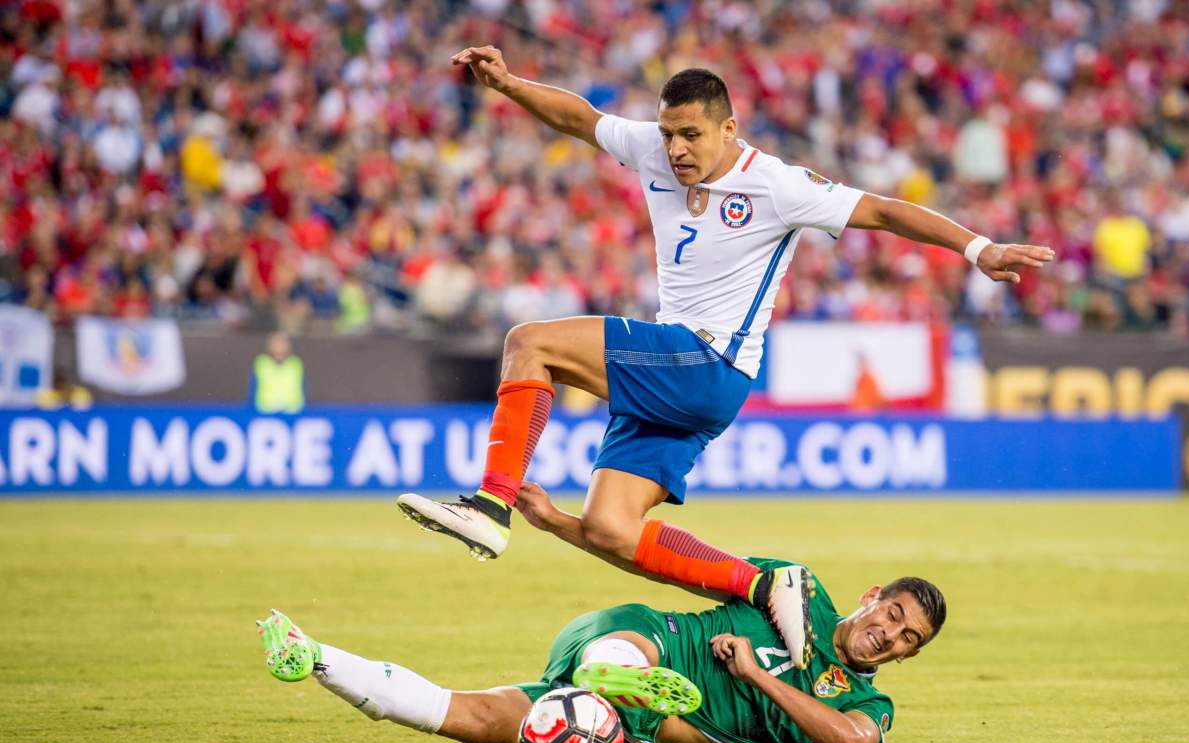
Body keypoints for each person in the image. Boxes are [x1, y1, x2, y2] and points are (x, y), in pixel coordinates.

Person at [396, 47, 1044, 668]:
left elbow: (880, 210)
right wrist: (508, 84)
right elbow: (579, 118)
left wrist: (976, 249)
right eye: (668, 133)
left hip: (706, 362)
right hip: (689, 379)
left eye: (691, 135)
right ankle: (764, 587)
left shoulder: (777, 185)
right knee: (608, 528)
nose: (676, 148)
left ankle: (489, 503)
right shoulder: (653, 148)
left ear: (728, 128)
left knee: (529, 343)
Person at [258, 512, 945, 743]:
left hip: (629, 731)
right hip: (653, 641)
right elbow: (680, 563)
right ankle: (609, 673)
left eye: (908, 639)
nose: (890, 636)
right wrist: (567, 526)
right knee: (632, 645)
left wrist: (757, 676)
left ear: (910, 656)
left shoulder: (868, 708)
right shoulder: (800, 589)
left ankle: (317, 658)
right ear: (871, 597)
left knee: (482, 719)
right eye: (892, 615)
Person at [249, 331, 305, 414]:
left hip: (292, 411)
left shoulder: (295, 363)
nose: (279, 347)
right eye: (277, 343)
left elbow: (302, 386)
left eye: (282, 343)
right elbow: (253, 386)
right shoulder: (261, 362)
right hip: (265, 411)